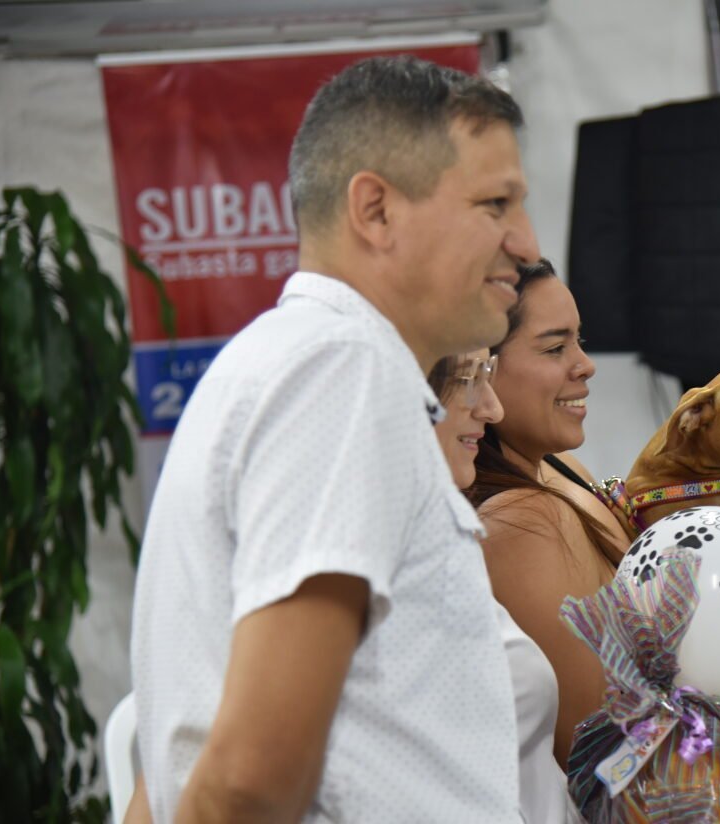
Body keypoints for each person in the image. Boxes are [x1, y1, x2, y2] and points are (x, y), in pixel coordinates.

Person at [130, 55, 539, 822]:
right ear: (376, 211)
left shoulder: (293, 361)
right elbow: (251, 778)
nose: (525, 242)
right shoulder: (342, 372)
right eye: (495, 204)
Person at [467, 258, 631, 768]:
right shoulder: (523, 521)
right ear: (482, 364)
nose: (585, 364)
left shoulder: (560, 468)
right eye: (556, 347)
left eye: (579, 341)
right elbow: (604, 753)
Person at [427, 349, 582, 823]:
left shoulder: (445, 531)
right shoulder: (520, 518)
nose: (492, 409)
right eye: (468, 377)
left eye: (487, 372)